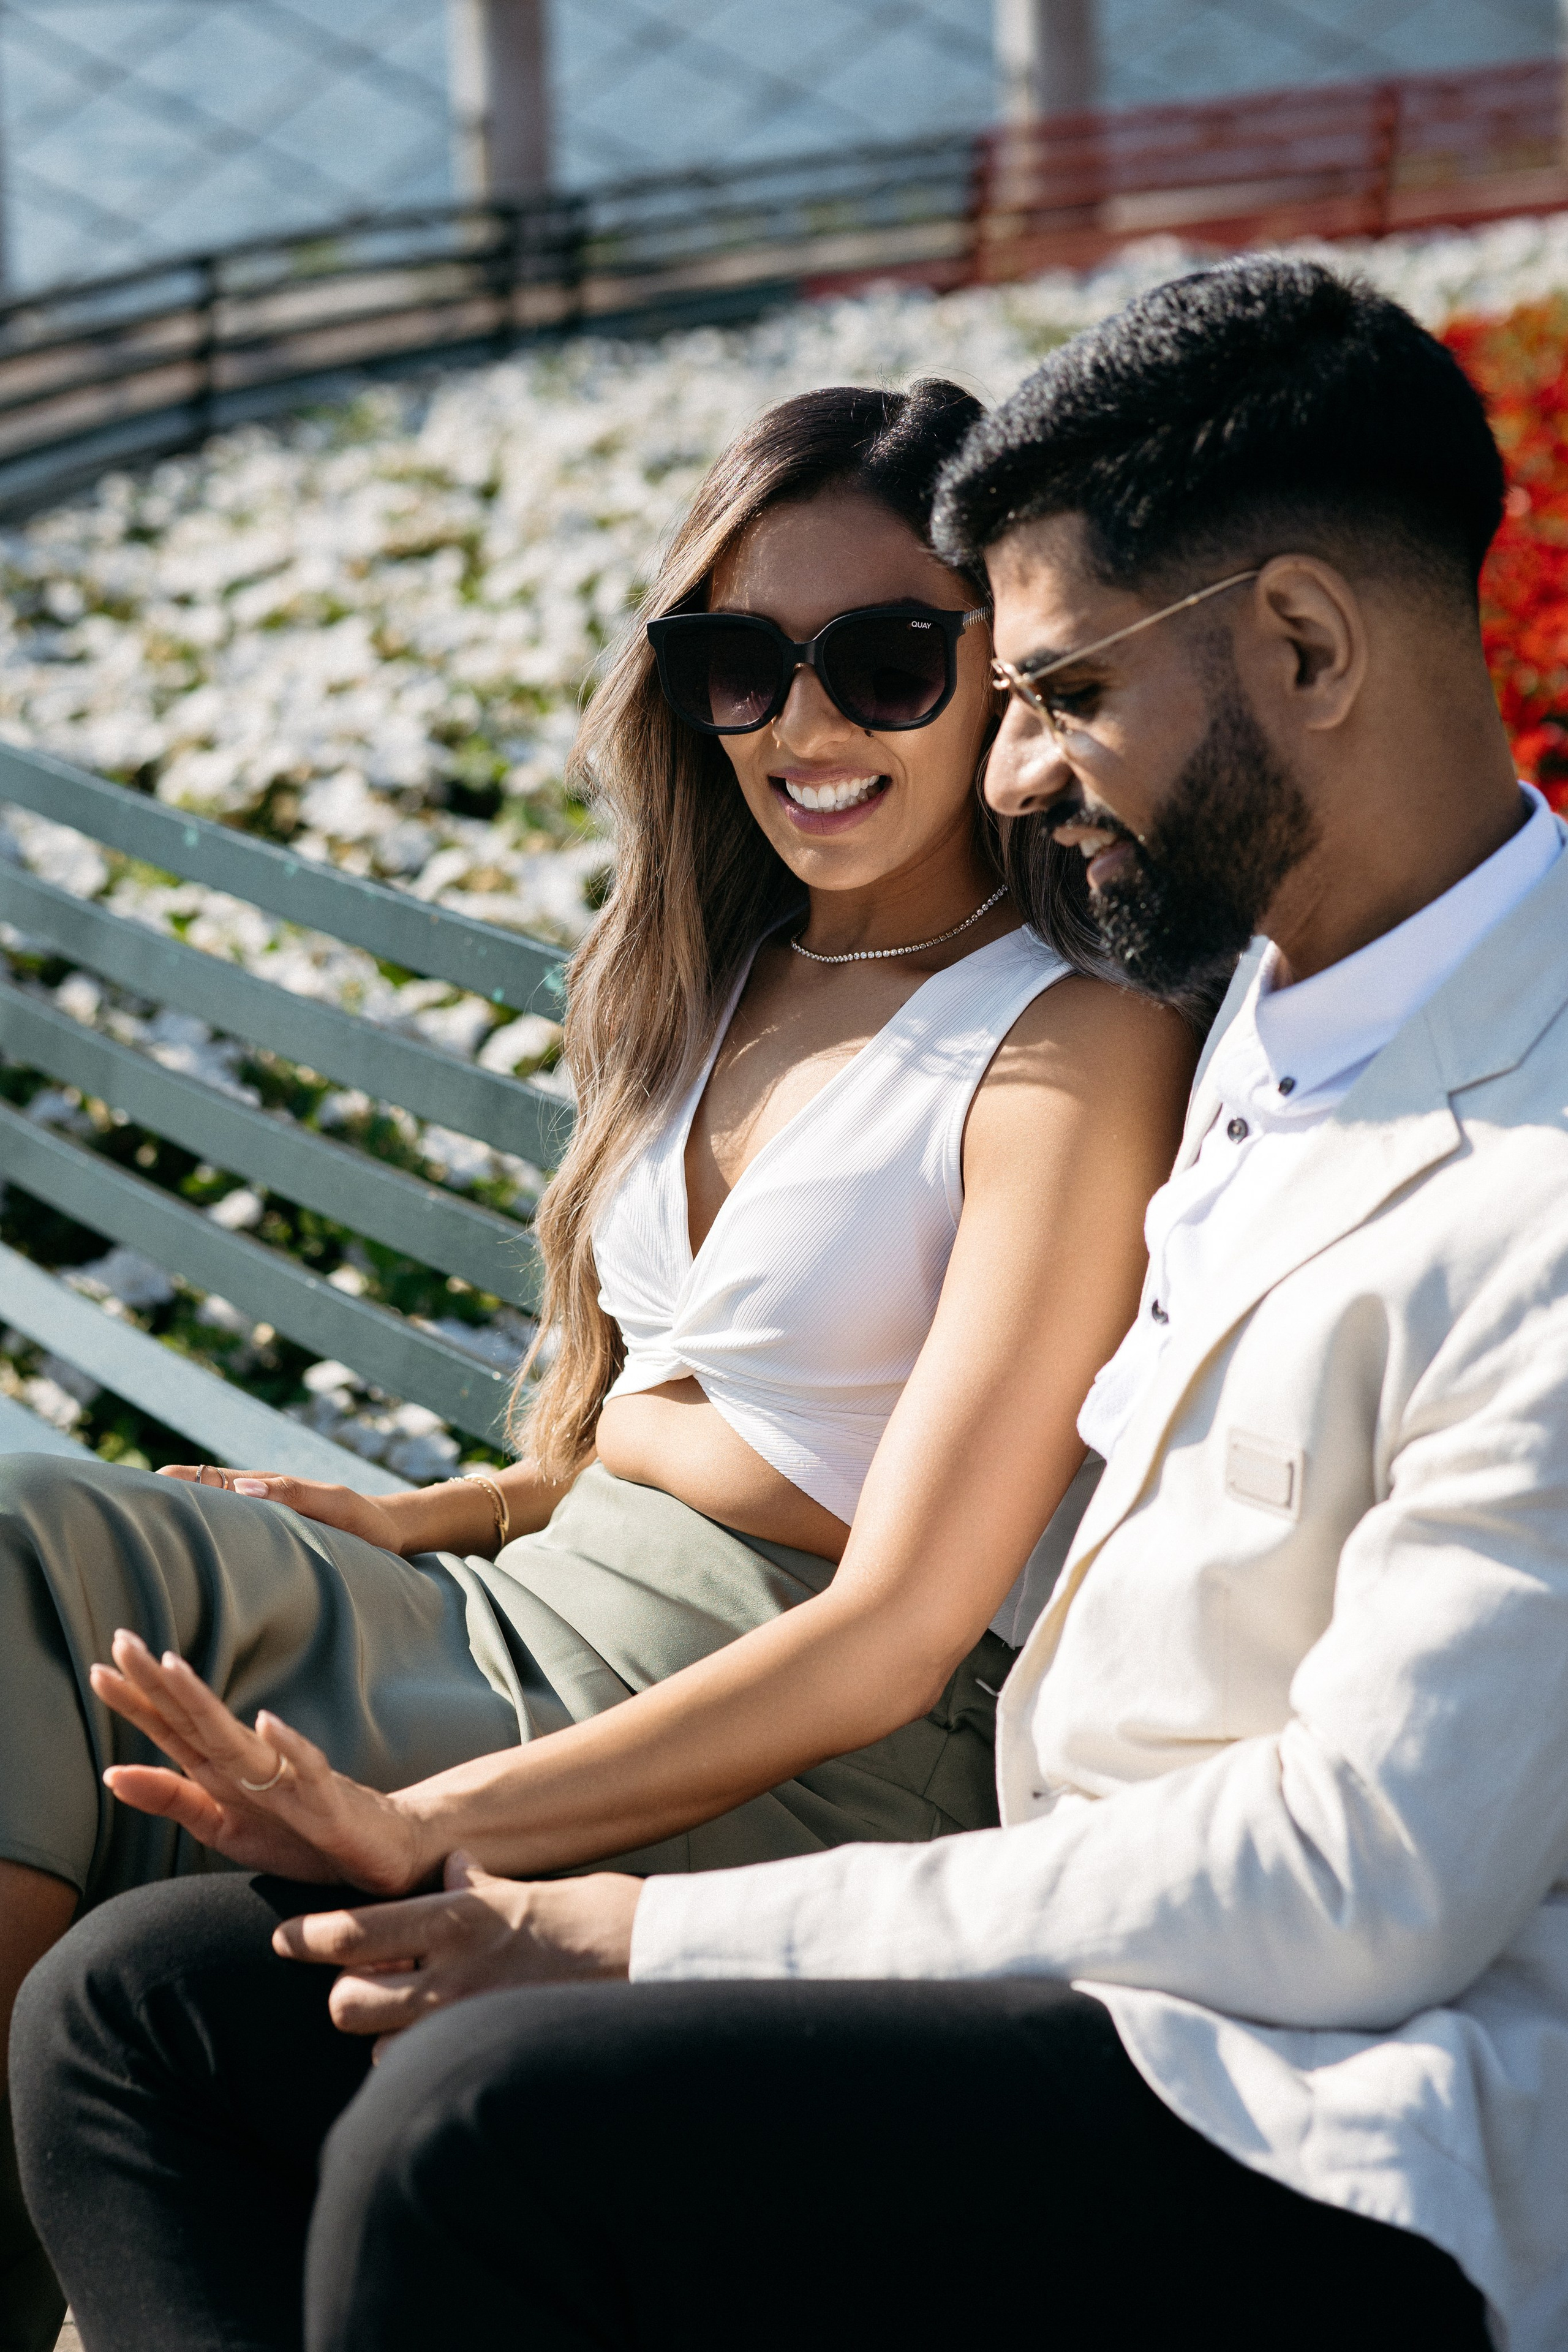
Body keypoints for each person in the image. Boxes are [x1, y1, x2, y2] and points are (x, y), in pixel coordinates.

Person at [0, 379, 1194, 2351]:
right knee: (36, 1553)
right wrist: (438, 1504)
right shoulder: (723, 962)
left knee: (102, 1801)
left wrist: (445, 1839)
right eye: (742, 663)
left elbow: (900, 1623)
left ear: (1006, 681)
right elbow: (693, 1402)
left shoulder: (1068, 1041)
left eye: (886, 661)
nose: (804, 730)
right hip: (514, 1603)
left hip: (784, 1728)